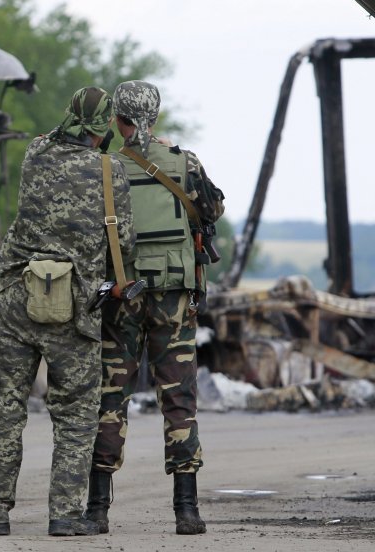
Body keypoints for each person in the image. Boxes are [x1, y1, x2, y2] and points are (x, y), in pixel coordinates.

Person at [0, 86, 134, 537]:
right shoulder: (110, 171)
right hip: (75, 305)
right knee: (76, 414)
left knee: (6, 408)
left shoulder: (35, 153)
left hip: (19, 295)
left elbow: (51, 136)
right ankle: (64, 515)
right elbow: (126, 244)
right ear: (103, 127)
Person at [86, 80, 225, 536]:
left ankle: (96, 511)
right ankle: (187, 511)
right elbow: (214, 208)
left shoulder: (104, 168)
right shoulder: (184, 162)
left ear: (118, 121)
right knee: (178, 399)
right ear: (155, 117)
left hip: (122, 296)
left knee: (111, 396)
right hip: (173, 297)